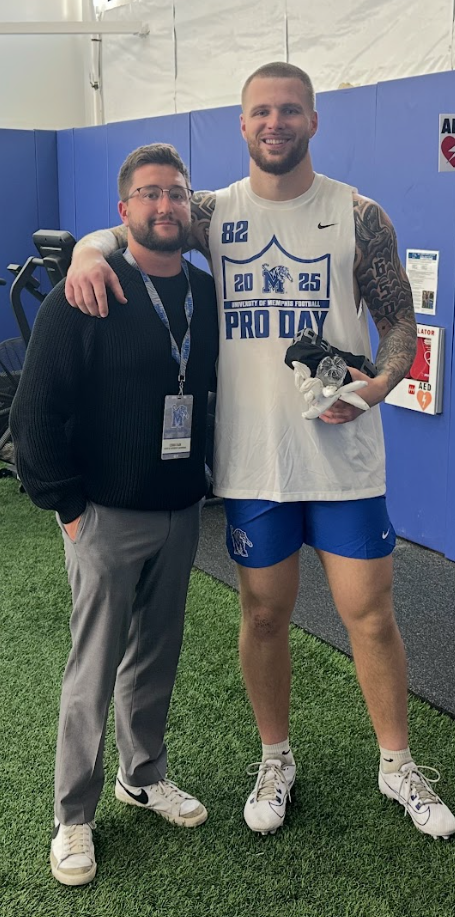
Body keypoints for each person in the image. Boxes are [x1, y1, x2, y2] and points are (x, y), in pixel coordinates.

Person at [64, 62, 455, 841]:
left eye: (288, 111)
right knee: (265, 616)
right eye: (259, 113)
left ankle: (397, 763)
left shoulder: (357, 213)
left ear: (312, 120)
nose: (273, 124)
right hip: (252, 462)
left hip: (343, 463)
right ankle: (275, 758)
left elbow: (399, 324)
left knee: (370, 616)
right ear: (240, 126)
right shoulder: (213, 212)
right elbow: (135, 222)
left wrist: (372, 390)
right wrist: (84, 250)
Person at [10, 142, 219, 886]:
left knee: (155, 656)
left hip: (178, 510)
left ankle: (144, 772)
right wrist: (66, 506)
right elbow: (35, 410)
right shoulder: (88, 289)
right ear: (124, 209)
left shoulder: (204, 288)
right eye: (150, 194)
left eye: (178, 195)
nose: (166, 206)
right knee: (92, 667)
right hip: (102, 513)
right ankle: (73, 814)